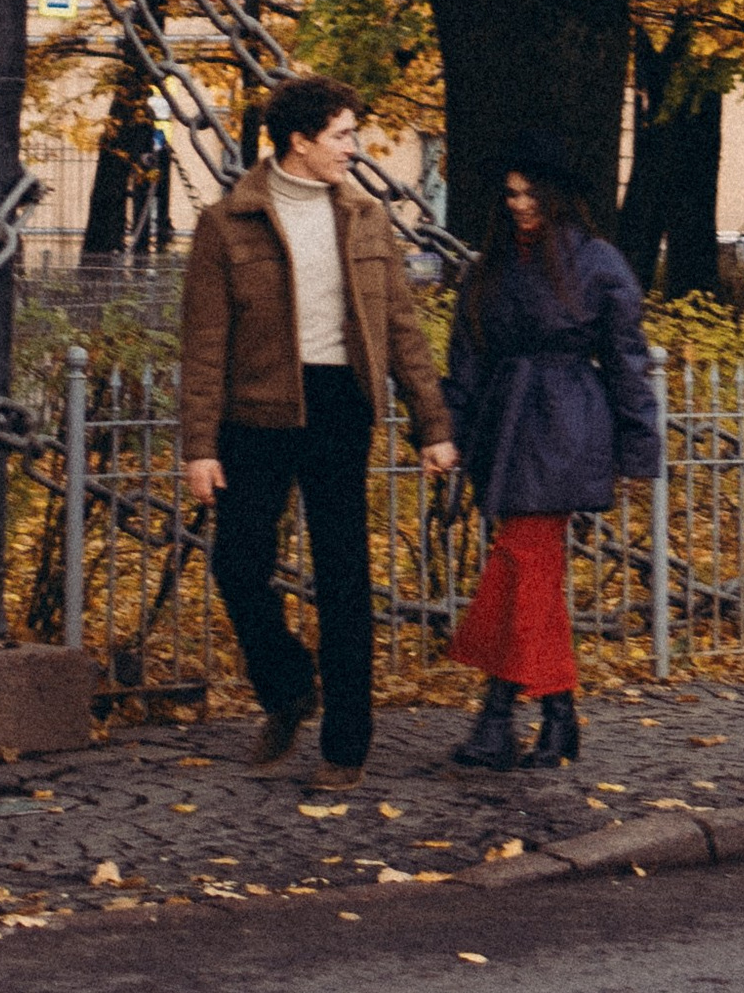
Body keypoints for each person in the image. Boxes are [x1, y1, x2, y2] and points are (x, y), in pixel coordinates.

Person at [180, 78, 457, 775]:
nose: (353, 149)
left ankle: (347, 743)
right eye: (341, 135)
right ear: (299, 142)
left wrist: (433, 426)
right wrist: (200, 447)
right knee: (238, 564)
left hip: (340, 406)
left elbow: (401, 328)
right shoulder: (228, 223)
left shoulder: (365, 217)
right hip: (256, 412)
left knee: (343, 575)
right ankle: (288, 686)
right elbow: (204, 343)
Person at [441, 127, 661, 772]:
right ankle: (555, 717)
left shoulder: (597, 263)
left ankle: (498, 716)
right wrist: (447, 432)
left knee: (522, 560)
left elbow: (627, 361)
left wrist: (637, 447)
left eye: (531, 192)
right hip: (504, 427)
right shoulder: (490, 268)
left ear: (558, 195)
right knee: (526, 572)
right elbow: (466, 358)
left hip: (567, 423)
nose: (518, 203)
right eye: (509, 193)